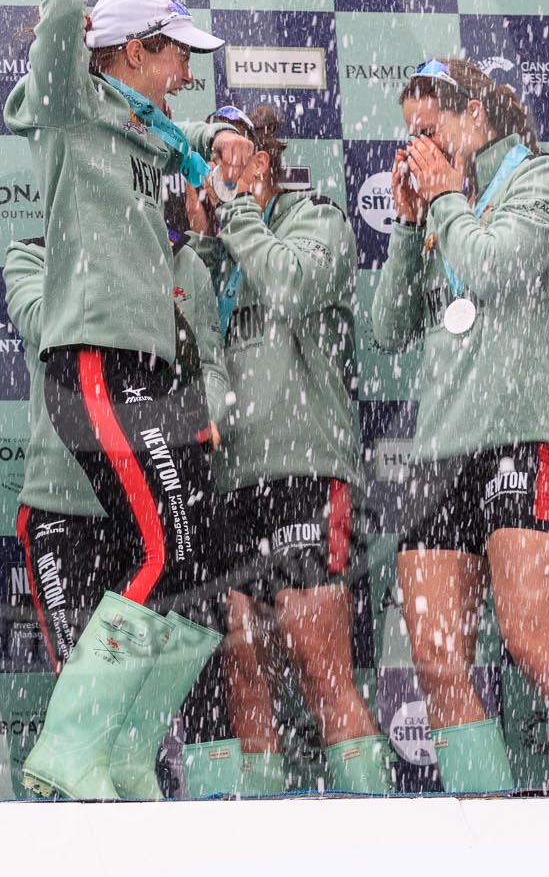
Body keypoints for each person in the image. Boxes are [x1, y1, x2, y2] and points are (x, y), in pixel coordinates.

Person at [4, 0, 253, 800]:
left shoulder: (156, 139)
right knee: (162, 546)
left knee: (191, 558)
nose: (187, 74)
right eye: (176, 54)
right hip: (94, 363)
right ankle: (72, 753)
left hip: (148, 372)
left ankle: (123, 755)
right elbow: (61, 3)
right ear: (134, 50)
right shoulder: (71, 101)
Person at [370, 58, 549, 791]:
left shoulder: (546, 181)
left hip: (522, 436)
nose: (418, 148)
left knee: (532, 642)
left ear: (477, 116)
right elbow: (389, 327)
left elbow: (490, 269)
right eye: (410, 136)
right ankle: (482, 824)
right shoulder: (444, 202)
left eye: (430, 130)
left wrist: (444, 199)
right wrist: (408, 226)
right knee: (436, 659)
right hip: (439, 447)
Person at [188, 104, 393, 797]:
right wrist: (207, 242)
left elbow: (291, 283)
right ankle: (258, 829)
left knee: (317, 663)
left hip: (305, 469)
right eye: (213, 163)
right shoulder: (214, 252)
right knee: (244, 669)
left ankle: (383, 830)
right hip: (230, 480)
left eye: (234, 157)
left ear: (266, 159)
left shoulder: (318, 220)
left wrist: (237, 213)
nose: (222, 175)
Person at [4, 186, 234, 799]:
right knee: (79, 691)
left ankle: (131, 762)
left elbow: (210, 364)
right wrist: (118, 270)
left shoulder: (183, 262)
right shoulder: (33, 254)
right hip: (65, 502)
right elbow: (52, 330)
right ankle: (76, 775)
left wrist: (200, 414)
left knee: (142, 688)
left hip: (146, 492)